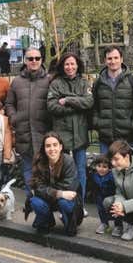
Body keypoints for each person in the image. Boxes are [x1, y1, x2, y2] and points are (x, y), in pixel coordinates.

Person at [47, 53, 93, 207]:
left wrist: (67, 100)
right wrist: (76, 106)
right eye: (67, 64)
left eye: (72, 64)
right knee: (61, 170)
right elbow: (52, 106)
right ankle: (63, 201)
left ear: (77, 65)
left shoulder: (83, 82)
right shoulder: (56, 84)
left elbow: (89, 102)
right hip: (62, 135)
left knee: (80, 170)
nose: (70, 67)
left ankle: (80, 203)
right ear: (62, 66)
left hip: (80, 133)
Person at [6, 47, 50, 195]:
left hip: (43, 132)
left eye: (37, 58)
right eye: (30, 59)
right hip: (24, 133)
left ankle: (45, 202)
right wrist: (14, 117)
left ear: (41, 60)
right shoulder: (17, 82)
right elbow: (9, 103)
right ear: (25, 61)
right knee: (27, 170)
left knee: (46, 170)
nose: (34, 61)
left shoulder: (49, 80)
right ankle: (31, 200)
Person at [91, 47, 133, 153]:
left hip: (129, 138)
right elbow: (94, 105)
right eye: (109, 58)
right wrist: (97, 123)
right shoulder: (99, 83)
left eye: (116, 58)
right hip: (106, 138)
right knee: (108, 169)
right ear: (105, 60)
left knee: (130, 169)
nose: (113, 61)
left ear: (121, 59)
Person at [28, 132, 81, 236]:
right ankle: (47, 221)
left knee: (64, 202)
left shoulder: (68, 161)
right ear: (44, 148)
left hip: (67, 199)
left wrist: (47, 191)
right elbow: (38, 187)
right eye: (48, 146)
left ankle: (70, 223)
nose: (52, 149)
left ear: (61, 147)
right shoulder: (39, 161)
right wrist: (58, 193)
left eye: (55, 145)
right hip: (54, 197)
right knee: (35, 202)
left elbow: (69, 186)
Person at [90, 154, 120, 235]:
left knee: (115, 209)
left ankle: (118, 226)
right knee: (100, 209)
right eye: (99, 166)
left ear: (109, 168)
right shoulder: (94, 175)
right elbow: (94, 187)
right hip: (100, 195)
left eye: (104, 167)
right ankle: (104, 224)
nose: (101, 169)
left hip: (111, 196)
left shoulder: (111, 176)